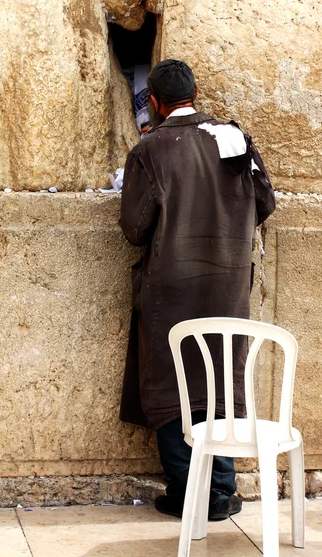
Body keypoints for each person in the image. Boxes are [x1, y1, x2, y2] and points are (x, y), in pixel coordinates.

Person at [119, 59, 276, 520]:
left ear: (154, 103)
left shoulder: (152, 150)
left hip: (171, 289)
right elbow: (264, 202)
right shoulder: (232, 138)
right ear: (197, 92)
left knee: (173, 381)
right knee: (220, 377)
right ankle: (222, 489)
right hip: (228, 285)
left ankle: (189, 491)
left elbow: (134, 226)